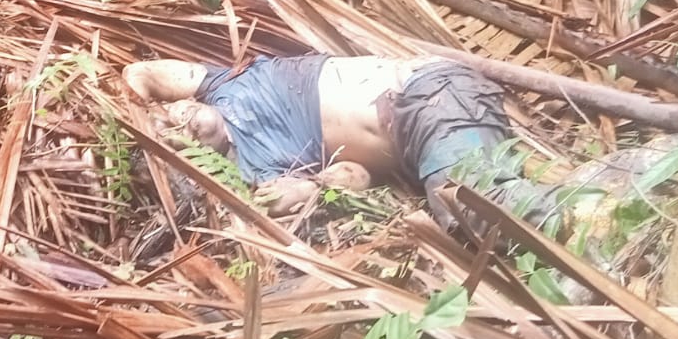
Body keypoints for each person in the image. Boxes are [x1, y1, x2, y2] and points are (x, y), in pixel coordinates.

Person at [122, 53, 514, 221]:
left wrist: (138, 114)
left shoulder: (225, 82)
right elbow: (356, 175)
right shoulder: (257, 172)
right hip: (423, 138)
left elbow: (142, 72)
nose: (178, 124)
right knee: (469, 209)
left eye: (167, 115)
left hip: (429, 90)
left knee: (477, 207)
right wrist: (311, 187)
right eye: (173, 138)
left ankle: (571, 215)